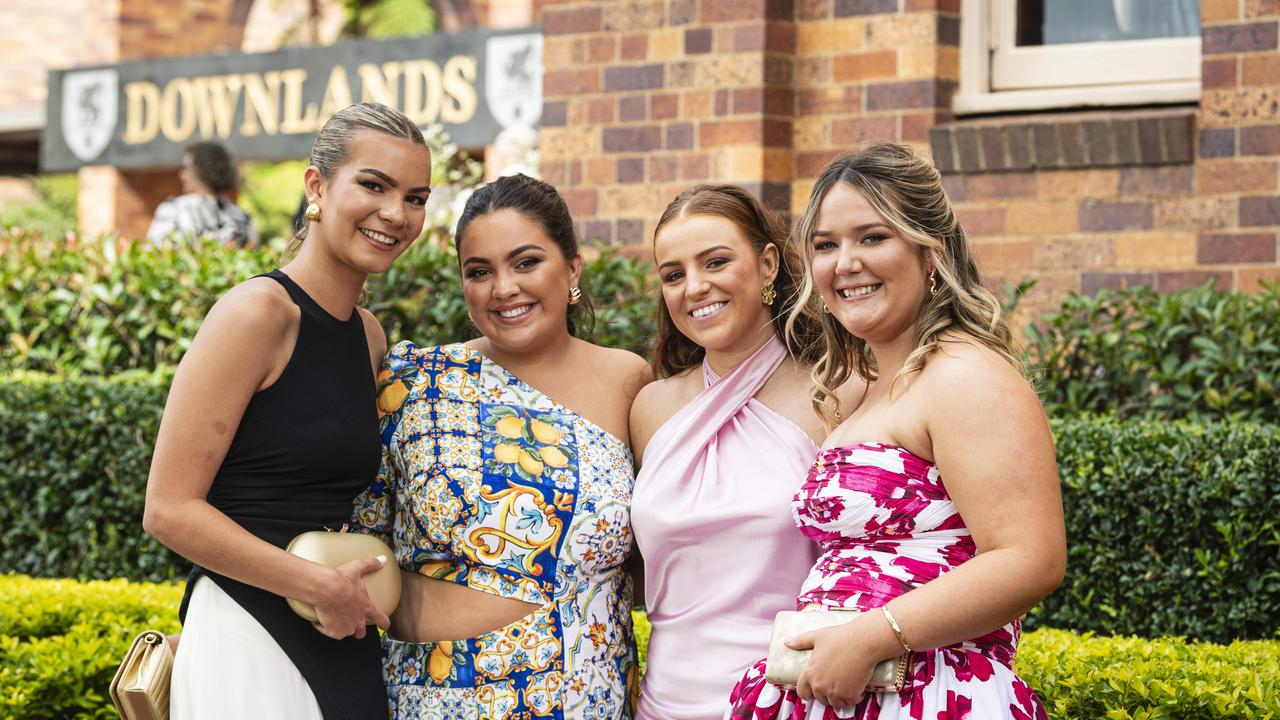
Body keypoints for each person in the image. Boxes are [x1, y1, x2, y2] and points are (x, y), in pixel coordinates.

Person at [726, 143, 1065, 719]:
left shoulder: (964, 375)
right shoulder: (867, 390)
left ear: (930, 251)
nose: (845, 263)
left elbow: (1030, 558)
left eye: (873, 237)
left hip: (931, 694)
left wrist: (871, 637)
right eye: (826, 246)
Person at [143, 102, 432, 719]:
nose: (396, 214)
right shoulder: (256, 314)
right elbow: (168, 509)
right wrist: (318, 587)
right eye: (374, 186)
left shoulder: (369, 336)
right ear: (317, 186)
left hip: (340, 627)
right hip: (251, 627)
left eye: (415, 197)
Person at [351, 173, 651, 719]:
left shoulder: (629, 382)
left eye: (526, 262)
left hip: (592, 696)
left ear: (573, 268)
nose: (504, 288)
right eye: (479, 272)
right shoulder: (415, 384)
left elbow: (667, 547)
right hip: (442, 696)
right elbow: (356, 546)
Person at [628, 185, 863, 720]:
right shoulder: (651, 409)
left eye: (716, 261)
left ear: (767, 264)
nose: (694, 287)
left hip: (791, 698)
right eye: (673, 274)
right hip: (664, 702)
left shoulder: (839, 392)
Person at [146, 140, 258, 247]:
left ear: (200, 171)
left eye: (186, 168)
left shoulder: (173, 209)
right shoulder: (241, 217)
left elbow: (152, 253)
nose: (182, 175)